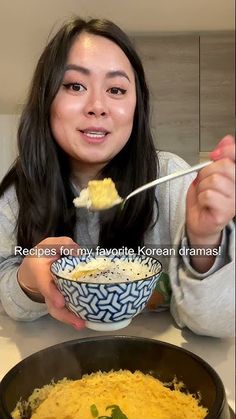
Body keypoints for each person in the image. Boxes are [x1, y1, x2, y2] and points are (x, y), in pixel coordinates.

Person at [0, 17, 234, 337]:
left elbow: (220, 324)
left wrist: (205, 241)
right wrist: (26, 282)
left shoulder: (172, 181)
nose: (98, 106)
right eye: (75, 86)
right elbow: (5, 290)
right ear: (46, 100)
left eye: (116, 89)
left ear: (136, 107)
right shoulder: (19, 194)